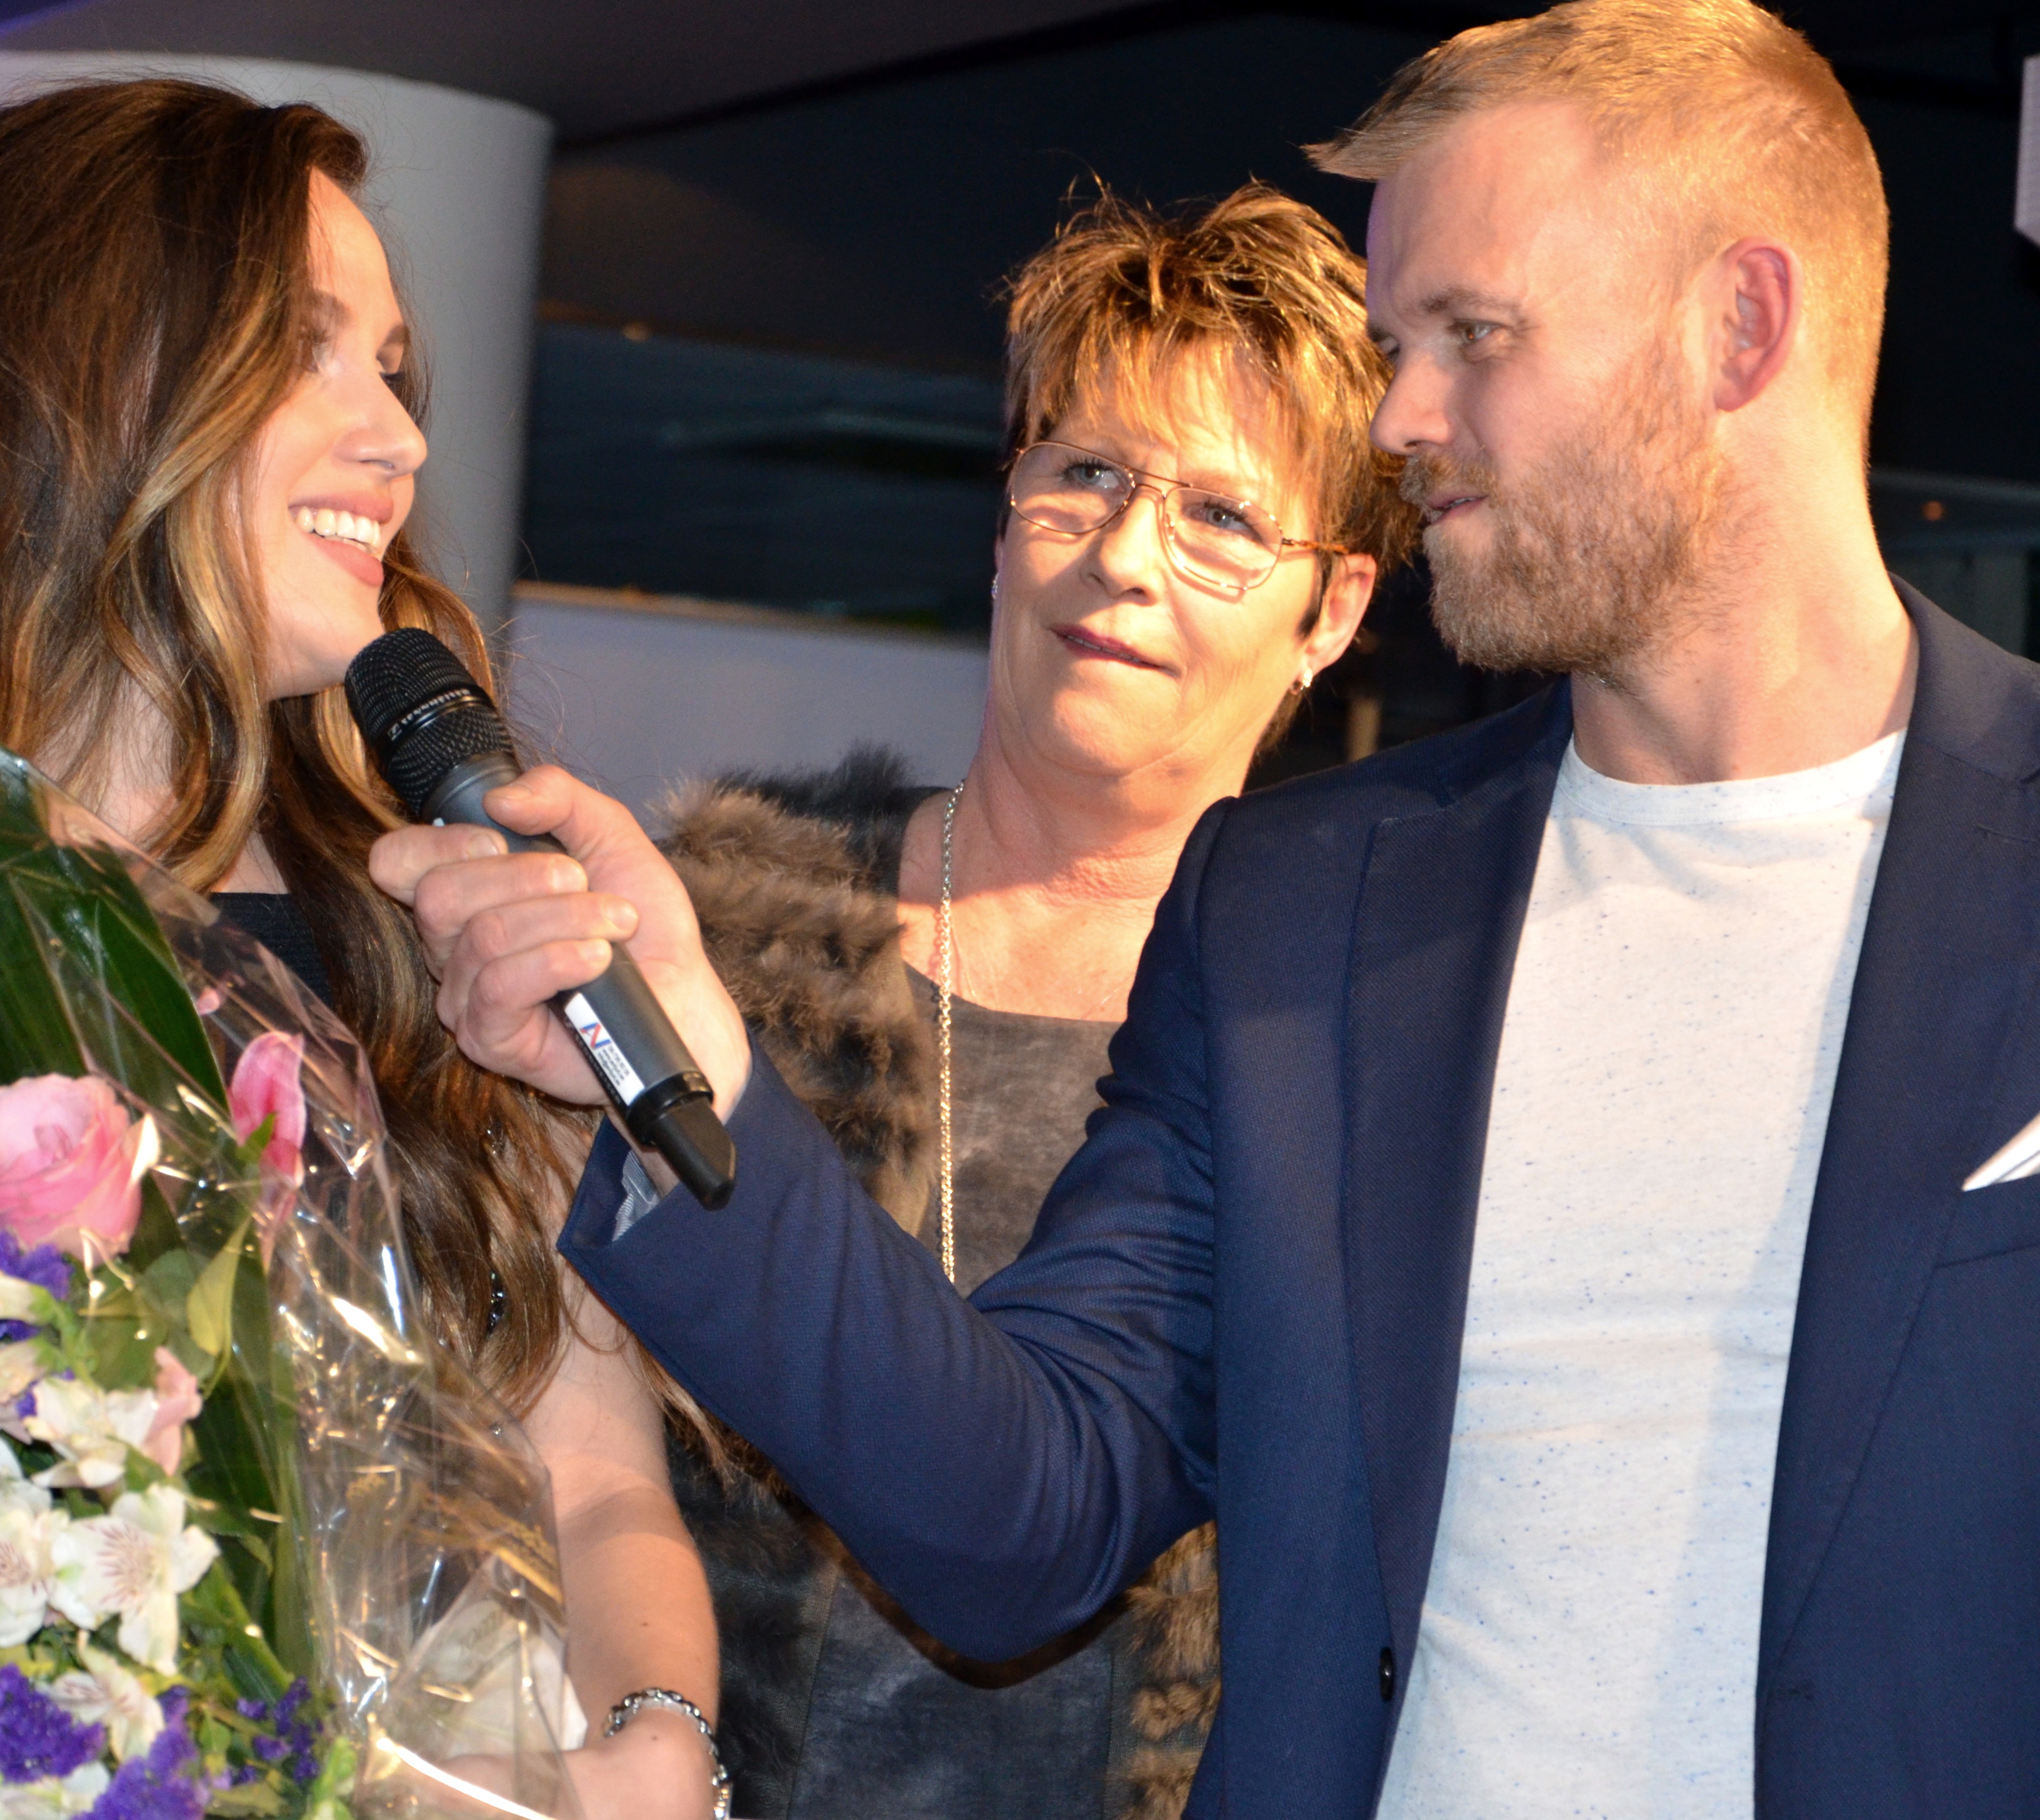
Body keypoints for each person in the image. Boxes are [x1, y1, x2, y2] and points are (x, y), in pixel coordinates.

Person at [375, 1, 2040, 1813]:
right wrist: (694, 1067)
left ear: (1743, 326)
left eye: (1475, 335)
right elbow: (1020, 1518)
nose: (1403, 420)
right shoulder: (1306, 908)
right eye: (1398, 347)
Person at [0, 81, 720, 1820]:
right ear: (73, 381)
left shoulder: (449, 939)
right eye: (305, 350)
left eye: (396, 371)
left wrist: (657, 1752)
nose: (397, 441)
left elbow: (599, 1488)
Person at [648, 185, 1411, 1819]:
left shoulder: (1362, 1049)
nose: (1125, 557)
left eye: (1223, 517)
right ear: (1004, 522)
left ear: (1334, 612)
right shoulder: (708, 939)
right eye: (1086, 475)